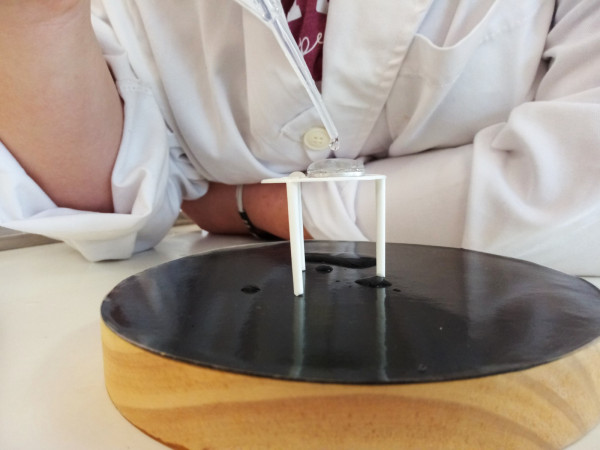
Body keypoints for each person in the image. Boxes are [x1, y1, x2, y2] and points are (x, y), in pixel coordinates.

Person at [1, 0, 599, 276]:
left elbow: (578, 202)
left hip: (507, 345)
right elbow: (112, 208)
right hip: (220, 325)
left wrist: (253, 204)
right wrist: (38, 18)